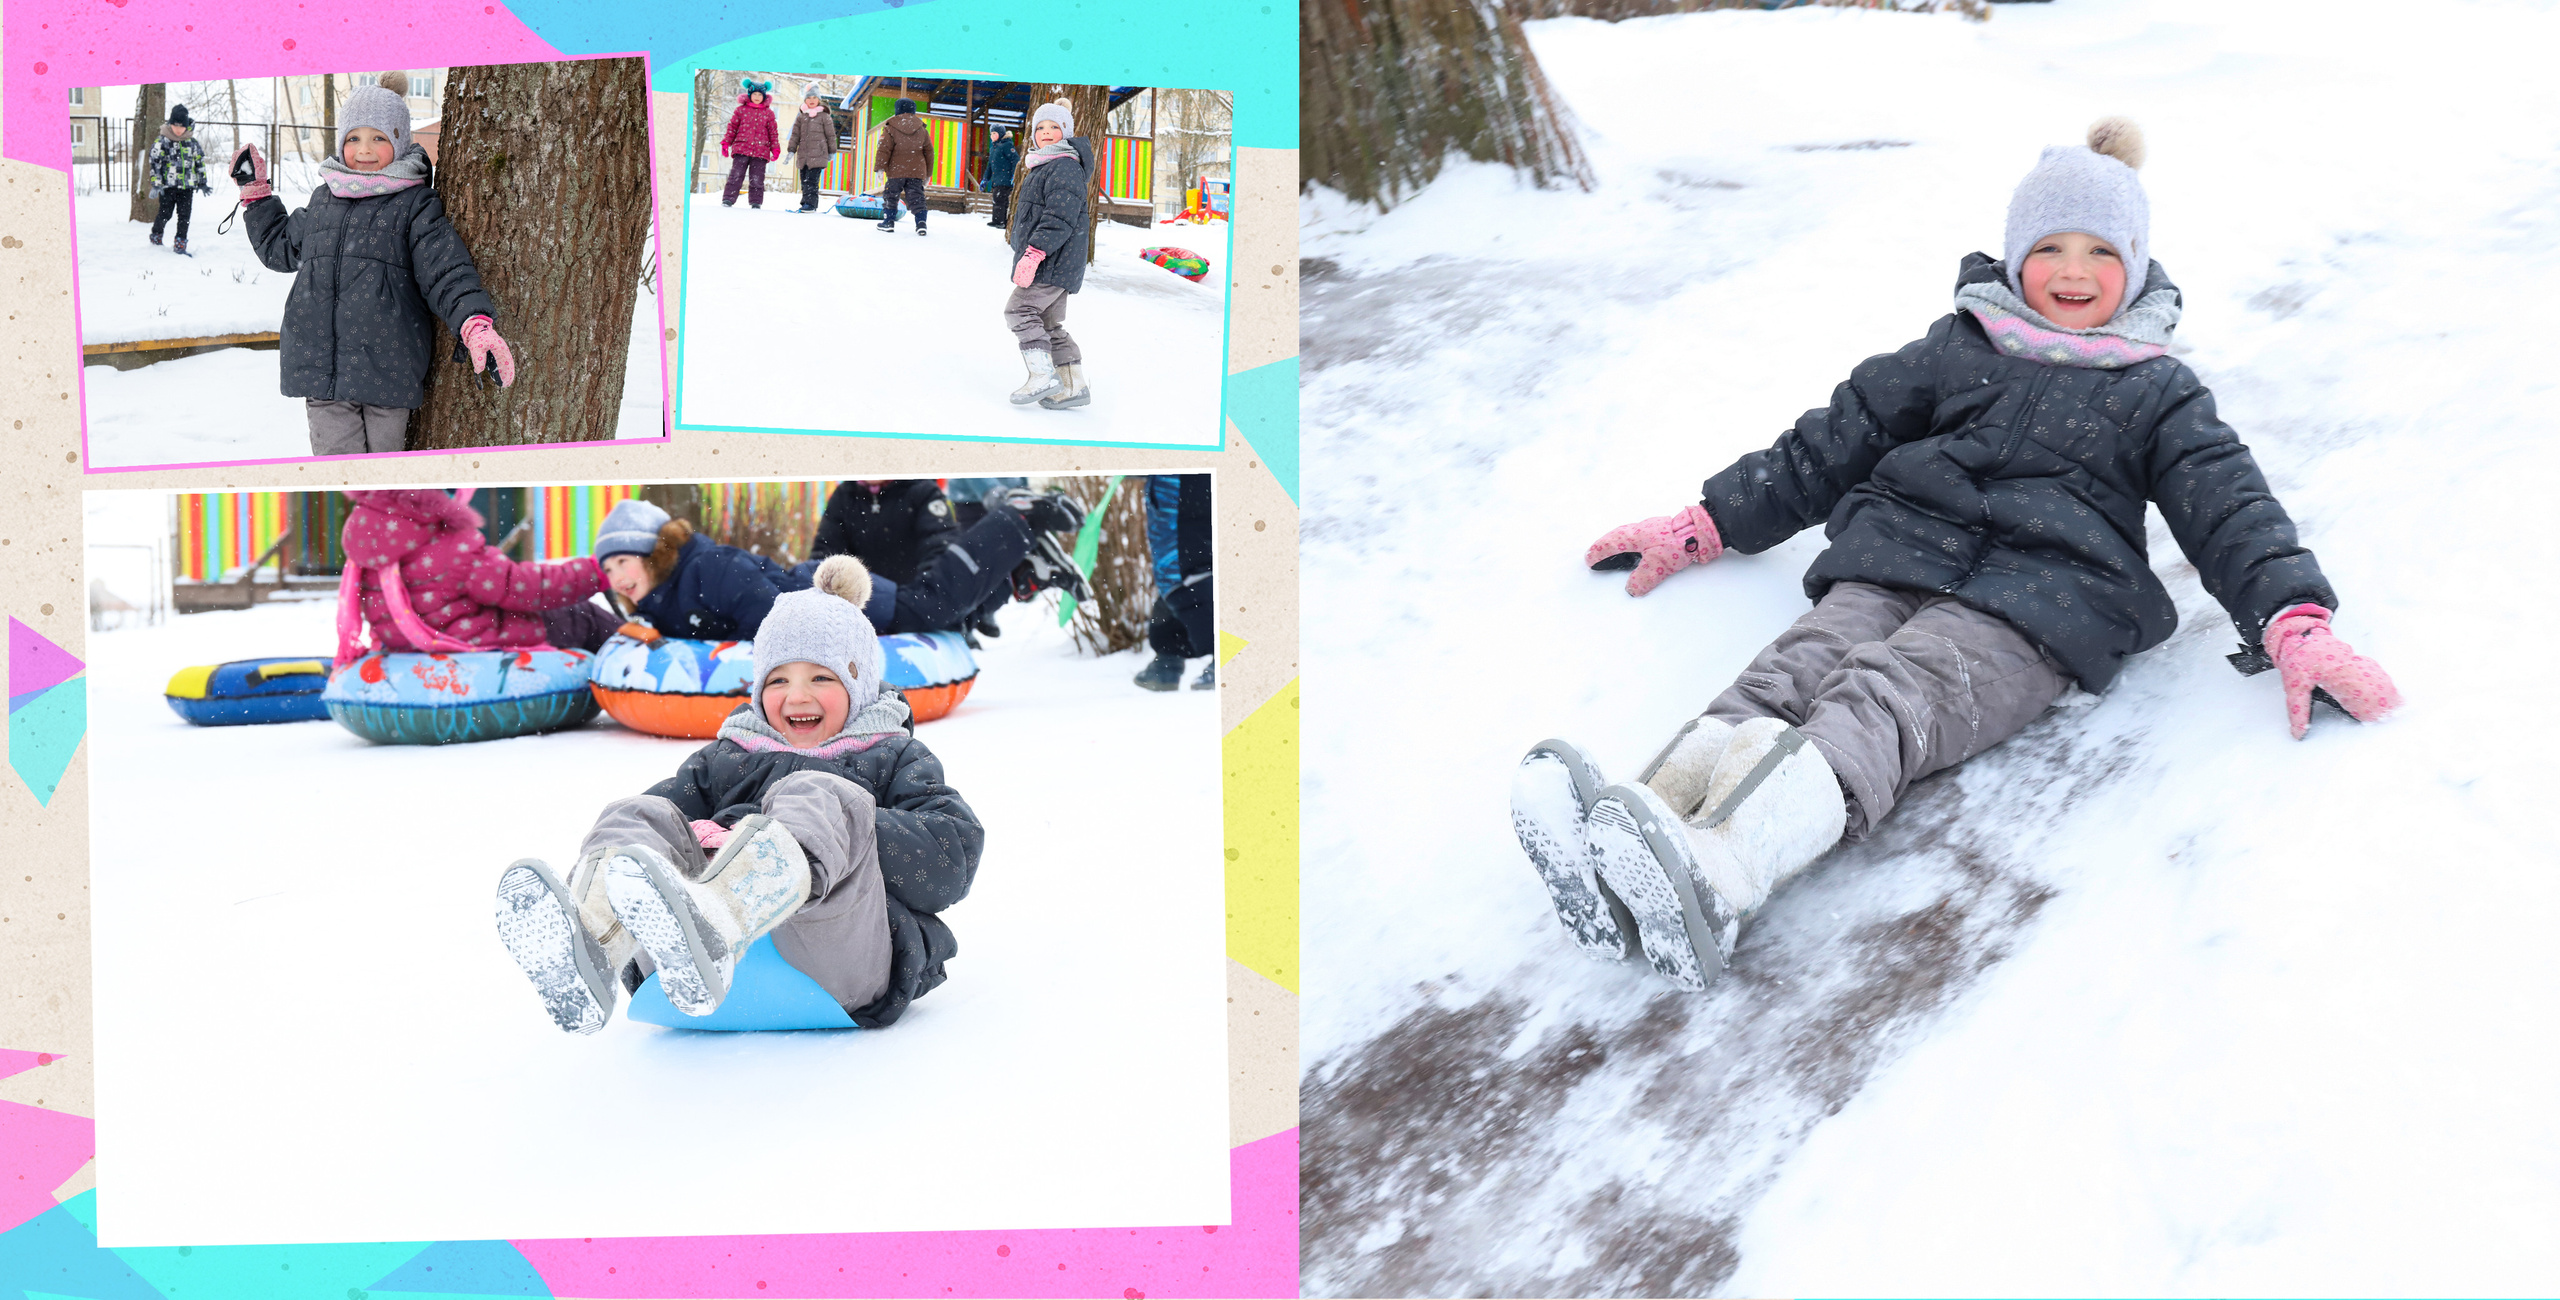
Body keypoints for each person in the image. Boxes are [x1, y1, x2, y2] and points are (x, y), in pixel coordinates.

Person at [1510, 119, 2405, 994]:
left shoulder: (2157, 391)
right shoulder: (1958, 348)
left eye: (2101, 253)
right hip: (1898, 557)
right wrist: (1709, 520)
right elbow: (1831, 442)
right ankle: (1642, 833)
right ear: (2017, 256)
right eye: (2052, 248)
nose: (2074, 272)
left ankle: (1725, 869)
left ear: (2134, 265)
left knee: (1888, 695)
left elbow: (2229, 505)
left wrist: (2294, 621)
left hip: (2042, 607)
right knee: (1788, 675)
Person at [492, 555, 985, 1034]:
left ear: (858, 683)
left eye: (821, 677)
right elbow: (667, 828)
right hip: (687, 985)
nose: (796, 696)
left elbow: (950, 859)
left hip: (835, 961)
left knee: (818, 795)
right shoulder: (729, 756)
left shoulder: (892, 755)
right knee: (636, 816)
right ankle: (594, 947)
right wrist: (713, 841)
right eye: (778, 680)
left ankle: (719, 920)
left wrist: (851, 833)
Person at [239, 85, 514, 457]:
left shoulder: (414, 204)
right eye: (354, 138)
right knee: (343, 478)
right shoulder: (324, 198)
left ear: (399, 143)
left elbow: (445, 269)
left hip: (387, 373)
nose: (364, 149)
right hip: (325, 375)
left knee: (384, 479)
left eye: (378, 138)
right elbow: (280, 249)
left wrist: (474, 323)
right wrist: (256, 194)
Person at [587, 488, 1082, 645]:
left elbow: (771, 619)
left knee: (933, 604)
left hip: (835, 598)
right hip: (825, 595)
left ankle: (1016, 520)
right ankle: (1022, 574)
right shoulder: (661, 596)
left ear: (654, 554)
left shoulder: (708, 568)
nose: (619, 579)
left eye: (624, 563)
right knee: (950, 615)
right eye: (609, 572)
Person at [331, 489, 605, 666]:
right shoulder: (450, 544)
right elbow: (523, 588)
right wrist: (595, 572)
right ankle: (638, 659)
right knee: (581, 616)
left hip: (405, 645)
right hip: (468, 642)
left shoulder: (368, 532)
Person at [1004, 99, 1093, 411]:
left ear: (1066, 132)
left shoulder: (1064, 166)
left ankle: (1043, 376)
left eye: (1055, 127)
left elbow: (1059, 217)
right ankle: (1073, 386)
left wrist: (1033, 253)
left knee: (1019, 310)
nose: (1047, 132)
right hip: (1058, 261)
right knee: (1048, 324)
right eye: (1041, 127)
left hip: (1050, 260)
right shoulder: (1048, 165)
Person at [1134, 474, 1214, 691]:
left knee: (1184, 570)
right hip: (1184, 483)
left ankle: (1230, 655)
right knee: (1184, 569)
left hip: (1181, 483)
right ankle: (1169, 655)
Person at [146, 104, 210, 255]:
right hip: (168, 187)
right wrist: (156, 184)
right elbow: (155, 163)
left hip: (187, 187)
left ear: (187, 126)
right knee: (165, 214)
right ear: (170, 124)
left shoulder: (192, 143)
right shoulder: (162, 142)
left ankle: (180, 245)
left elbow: (199, 162)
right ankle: (156, 237)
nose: (178, 130)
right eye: (175, 126)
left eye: (182, 127)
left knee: (184, 217)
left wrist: (202, 182)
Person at [872, 96, 933, 235]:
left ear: (897, 111)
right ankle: (921, 223)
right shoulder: (922, 129)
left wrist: (880, 168)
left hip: (896, 170)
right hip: (916, 171)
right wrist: (928, 173)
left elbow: (884, 149)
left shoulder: (890, 127)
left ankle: (888, 222)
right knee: (917, 197)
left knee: (891, 196)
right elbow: (929, 152)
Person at [720, 80, 781, 209]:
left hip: (761, 150)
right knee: (736, 175)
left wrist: (775, 149)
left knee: (757, 178)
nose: (757, 97)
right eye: (755, 94)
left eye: (760, 95)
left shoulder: (768, 113)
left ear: (764, 97)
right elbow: (732, 128)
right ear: (749, 95)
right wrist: (726, 143)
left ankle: (756, 202)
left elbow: (773, 133)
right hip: (741, 148)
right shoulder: (741, 110)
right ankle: (728, 199)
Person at [785, 88, 837, 214]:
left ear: (819, 100)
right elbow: (795, 135)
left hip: (818, 154)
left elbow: (831, 135)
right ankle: (805, 203)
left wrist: (832, 151)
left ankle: (811, 204)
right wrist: (791, 150)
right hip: (803, 155)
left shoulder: (824, 117)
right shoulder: (801, 117)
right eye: (809, 98)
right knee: (804, 180)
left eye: (814, 98)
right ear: (805, 100)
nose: (812, 100)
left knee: (812, 181)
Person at [983, 127, 1018, 228]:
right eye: (991, 134)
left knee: (1000, 199)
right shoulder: (994, 148)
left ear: (1000, 134)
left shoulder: (1007, 145)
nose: (992, 136)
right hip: (997, 179)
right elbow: (990, 165)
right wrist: (985, 179)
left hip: (1005, 178)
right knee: (997, 199)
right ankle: (997, 220)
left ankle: (1000, 221)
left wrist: (1014, 175)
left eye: (994, 133)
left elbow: (1015, 159)